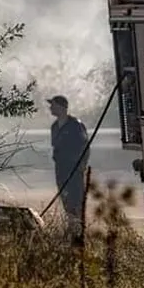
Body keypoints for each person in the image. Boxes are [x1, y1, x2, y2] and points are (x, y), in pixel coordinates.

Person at [48, 95, 90, 233]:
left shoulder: (76, 125)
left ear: (61, 107)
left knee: (76, 198)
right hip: (60, 169)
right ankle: (71, 226)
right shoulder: (54, 127)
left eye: (53, 105)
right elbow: (55, 147)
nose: (50, 108)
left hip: (74, 168)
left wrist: (82, 166)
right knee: (64, 197)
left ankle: (78, 228)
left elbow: (85, 147)